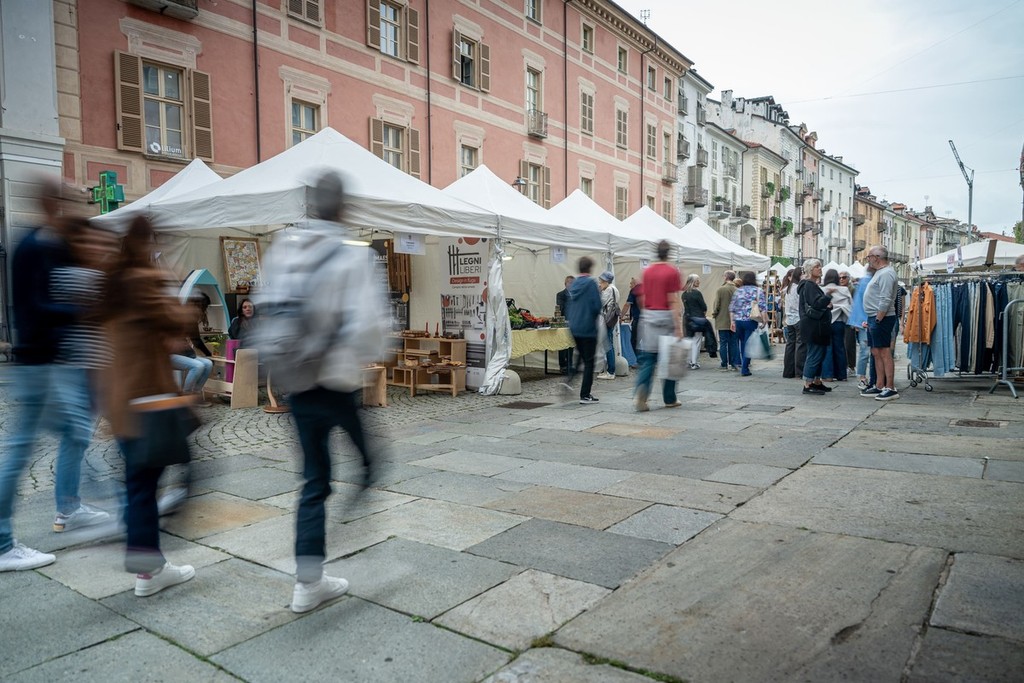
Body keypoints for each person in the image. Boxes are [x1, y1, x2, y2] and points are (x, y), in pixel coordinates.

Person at [257, 171, 387, 613]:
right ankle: (364, 483)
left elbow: (264, 309)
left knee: (313, 480)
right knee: (370, 458)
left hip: (297, 382)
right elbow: (370, 328)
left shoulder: (283, 249)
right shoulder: (353, 256)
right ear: (344, 208)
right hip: (337, 381)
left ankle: (307, 582)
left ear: (309, 206)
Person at [1, 181, 112, 573]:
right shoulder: (33, 246)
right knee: (23, 448)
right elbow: (34, 308)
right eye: (69, 202)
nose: (75, 209)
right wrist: (81, 310)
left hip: (49, 363)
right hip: (40, 364)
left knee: (75, 432)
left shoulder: (47, 243)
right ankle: (4, 543)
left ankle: (70, 507)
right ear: (51, 203)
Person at [100, 216, 198, 596]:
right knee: (146, 486)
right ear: (148, 242)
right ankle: (149, 569)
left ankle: (146, 564)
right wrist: (171, 277)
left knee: (138, 485)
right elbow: (180, 318)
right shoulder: (144, 279)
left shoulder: (112, 282)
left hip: (121, 401)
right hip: (150, 401)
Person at [633, 240, 683, 411]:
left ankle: (642, 391)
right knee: (671, 360)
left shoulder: (647, 272)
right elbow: (672, 299)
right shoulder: (672, 271)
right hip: (666, 317)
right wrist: (678, 326)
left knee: (648, 359)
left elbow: (641, 298)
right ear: (669, 253)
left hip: (649, 316)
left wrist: (646, 315)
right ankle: (669, 398)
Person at [862, 246, 900, 400]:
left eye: (869, 256)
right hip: (874, 317)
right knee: (876, 351)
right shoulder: (880, 272)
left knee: (884, 352)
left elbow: (885, 298)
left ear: (877, 257)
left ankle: (890, 387)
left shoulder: (886, 273)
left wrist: (878, 318)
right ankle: (879, 385)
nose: (868, 259)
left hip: (882, 318)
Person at [564, 257, 602, 404]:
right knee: (589, 361)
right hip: (587, 327)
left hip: (575, 327)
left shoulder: (574, 284)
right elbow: (596, 306)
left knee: (580, 357)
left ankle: (569, 380)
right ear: (590, 268)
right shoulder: (591, 283)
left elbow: (569, 306)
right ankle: (585, 395)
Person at [797, 259, 834, 395]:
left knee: (819, 354)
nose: (820, 268)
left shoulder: (812, 285)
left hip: (817, 325)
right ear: (810, 270)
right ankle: (808, 384)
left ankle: (816, 381)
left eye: (820, 266)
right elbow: (817, 303)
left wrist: (827, 303)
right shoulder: (808, 285)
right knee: (814, 354)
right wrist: (828, 296)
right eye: (817, 266)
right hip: (813, 326)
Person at [170, 294, 214, 400]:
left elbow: (195, 340)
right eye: (205, 307)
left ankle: (196, 395)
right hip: (170, 354)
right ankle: (186, 397)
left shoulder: (189, 317)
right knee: (198, 366)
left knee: (208, 364)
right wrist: (209, 354)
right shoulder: (185, 317)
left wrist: (209, 356)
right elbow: (197, 341)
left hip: (182, 353)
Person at [729, 271, 766, 377]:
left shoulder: (738, 291)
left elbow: (732, 308)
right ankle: (745, 368)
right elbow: (762, 307)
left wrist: (732, 321)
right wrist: (764, 320)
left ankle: (743, 363)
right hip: (751, 320)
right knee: (748, 344)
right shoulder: (758, 291)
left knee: (742, 342)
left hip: (738, 320)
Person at [821, 269, 851, 381]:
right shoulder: (844, 290)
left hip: (826, 322)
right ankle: (841, 374)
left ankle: (828, 375)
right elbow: (849, 305)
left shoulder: (822, 289)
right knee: (840, 348)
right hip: (839, 322)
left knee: (827, 348)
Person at [849, 265, 876, 391]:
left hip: (864, 321)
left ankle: (863, 377)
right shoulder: (867, 282)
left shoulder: (864, 282)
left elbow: (857, 304)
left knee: (866, 351)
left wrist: (857, 321)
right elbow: (860, 303)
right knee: (866, 351)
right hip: (867, 321)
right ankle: (863, 377)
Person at [682, 274, 716, 370]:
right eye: (697, 280)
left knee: (689, 340)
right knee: (697, 341)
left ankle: (688, 361)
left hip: (687, 318)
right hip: (698, 319)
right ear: (693, 282)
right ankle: (694, 362)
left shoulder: (684, 294)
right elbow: (704, 307)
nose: (699, 282)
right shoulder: (697, 293)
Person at [712, 271, 739, 371]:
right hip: (735, 320)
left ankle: (724, 364)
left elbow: (717, 305)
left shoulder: (721, 289)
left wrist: (714, 314)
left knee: (723, 343)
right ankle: (733, 364)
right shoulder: (737, 290)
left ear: (726, 277)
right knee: (733, 343)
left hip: (722, 319)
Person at [780, 268, 804, 378]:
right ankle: (799, 371)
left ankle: (788, 371)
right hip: (798, 318)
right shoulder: (798, 288)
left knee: (790, 345)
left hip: (789, 319)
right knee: (800, 345)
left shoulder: (788, 288)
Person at [596, 271, 619, 380]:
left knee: (608, 345)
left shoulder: (609, 289)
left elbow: (600, 303)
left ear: (606, 281)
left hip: (606, 320)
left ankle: (611, 371)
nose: (600, 283)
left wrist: (599, 292)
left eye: (601, 281)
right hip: (611, 320)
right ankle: (610, 370)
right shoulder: (614, 289)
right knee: (609, 344)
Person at [555, 275, 574, 373]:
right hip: (564, 322)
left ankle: (570, 364)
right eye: (569, 282)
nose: (571, 285)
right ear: (565, 284)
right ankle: (562, 365)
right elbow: (560, 307)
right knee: (562, 344)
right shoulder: (560, 294)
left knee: (571, 344)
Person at [623, 276, 642, 369]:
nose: (630, 285)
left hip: (638, 319)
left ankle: (638, 361)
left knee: (634, 340)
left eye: (631, 283)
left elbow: (627, 305)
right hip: (647, 319)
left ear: (635, 283)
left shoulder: (634, 290)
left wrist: (620, 316)